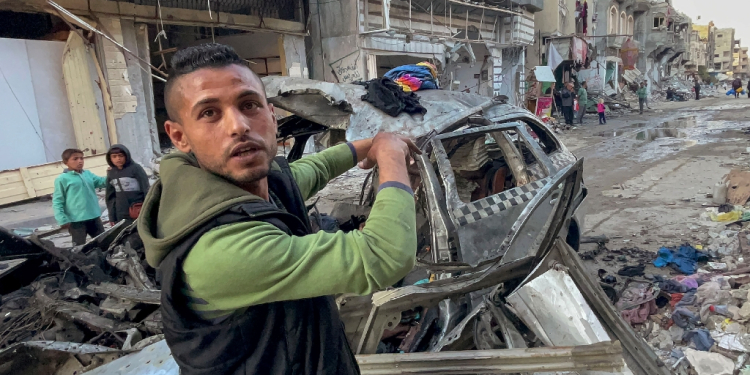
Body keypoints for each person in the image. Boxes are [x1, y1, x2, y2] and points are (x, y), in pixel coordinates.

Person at [137, 43, 420, 375]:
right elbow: (385, 257)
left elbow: (306, 172)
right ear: (180, 136)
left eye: (249, 105)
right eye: (209, 113)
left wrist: (369, 144)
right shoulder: (219, 248)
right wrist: (390, 158)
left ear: (272, 116)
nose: (238, 125)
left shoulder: (237, 189)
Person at [53, 149, 107, 246]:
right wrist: (61, 218)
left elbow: (101, 182)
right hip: (76, 221)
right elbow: (57, 200)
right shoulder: (62, 179)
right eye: (75, 159)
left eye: (81, 158)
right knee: (79, 247)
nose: (80, 161)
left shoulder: (87, 174)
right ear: (66, 162)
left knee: (104, 242)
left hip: (94, 216)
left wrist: (113, 173)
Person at [105, 144, 150, 225]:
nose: (118, 159)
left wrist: (149, 208)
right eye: (114, 156)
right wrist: (112, 217)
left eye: (120, 156)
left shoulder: (136, 169)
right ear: (110, 158)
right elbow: (110, 197)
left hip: (138, 208)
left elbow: (146, 189)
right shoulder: (111, 173)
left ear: (126, 156)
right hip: (121, 211)